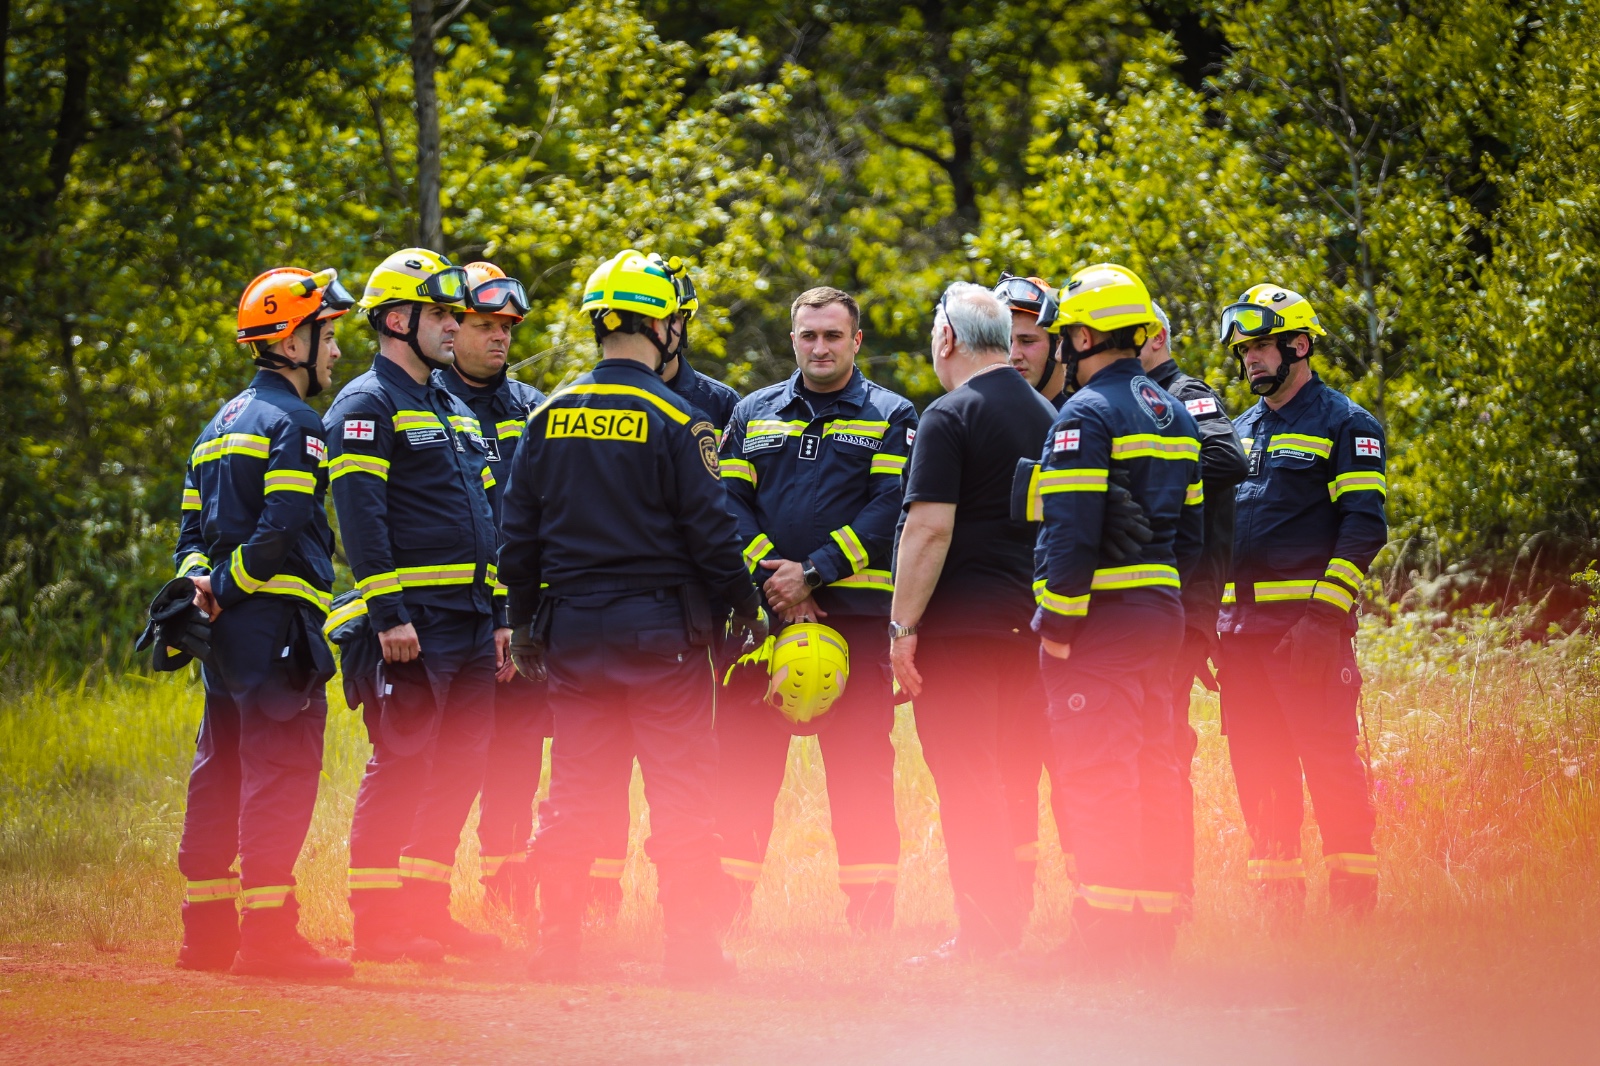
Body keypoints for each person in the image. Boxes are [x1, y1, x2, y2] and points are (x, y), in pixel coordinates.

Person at [498, 249, 767, 984]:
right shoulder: (680, 420)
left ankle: (555, 946)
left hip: (572, 634)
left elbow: (516, 538)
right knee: (681, 790)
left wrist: (522, 625)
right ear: (664, 330)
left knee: (576, 790)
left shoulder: (545, 417)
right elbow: (713, 536)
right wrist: (744, 611)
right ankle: (690, 951)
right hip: (662, 641)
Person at [713, 286, 918, 932]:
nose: (820, 347)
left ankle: (871, 908)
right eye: (809, 335)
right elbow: (724, 506)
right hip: (763, 620)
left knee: (861, 763)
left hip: (852, 621)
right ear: (792, 339)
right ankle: (727, 904)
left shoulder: (892, 414)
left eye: (834, 335)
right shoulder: (751, 413)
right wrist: (775, 578)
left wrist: (815, 573)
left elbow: (891, 509)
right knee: (743, 764)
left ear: (856, 341)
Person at [170, 266, 354, 978]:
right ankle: (271, 941)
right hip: (273, 624)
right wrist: (225, 587)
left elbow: (189, 530)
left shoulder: (216, 424)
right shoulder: (298, 423)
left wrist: (201, 585)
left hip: (224, 635)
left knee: (220, 768)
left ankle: (206, 937)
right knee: (278, 772)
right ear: (292, 338)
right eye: (327, 335)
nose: (335, 351)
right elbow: (279, 528)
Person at [324, 248, 505, 962]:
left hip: (468, 622)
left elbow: (487, 514)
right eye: (440, 313)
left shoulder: (451, 403)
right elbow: (359, 519)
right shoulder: (364, 405)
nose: (455, 326)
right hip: (412, 624)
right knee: (400, 765)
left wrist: (498, 619)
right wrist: (389, 611)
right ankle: (376, 924)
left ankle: (426, 912)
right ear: (399, 320)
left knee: (460, 767)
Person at [1032, 264, 1204, 969]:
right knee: (1158, 765)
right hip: (1162, 614)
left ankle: (1101, 932)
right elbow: (1192, 537)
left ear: (1079, 334)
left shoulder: (1085, 414)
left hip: (1100, 620)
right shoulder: (1176, 411)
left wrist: (1059, 626)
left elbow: (1070, 533)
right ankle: (1154, 926)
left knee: (1098, 770)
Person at [889, 283, 1057, 961]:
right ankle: (1008, 922)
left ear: (947, 340)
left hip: (962, 633)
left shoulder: (949, 416)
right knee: (1015, 779)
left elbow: (928, 529)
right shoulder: (1050, 413)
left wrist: (901, 630)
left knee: (967, 780)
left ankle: (982, 932)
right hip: (1032, 627)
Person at [1216, 284, 1388, 916]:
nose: (1251, 360)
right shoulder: (1238, 431)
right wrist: (1214, 624)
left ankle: (1353, 900)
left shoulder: (1346, 423)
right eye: (1244, 350)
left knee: (1329, 763)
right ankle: (1278, 903)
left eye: (1261, 346)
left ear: (1299, 345)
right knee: (1259, 769)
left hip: (1308, 634)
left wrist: (1322, 619)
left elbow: (1364, 526)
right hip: (1242, 639)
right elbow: (1218, 536)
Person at [434, 261, 575, 916]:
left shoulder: (536, 407)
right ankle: (415, 891)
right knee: (444, 760)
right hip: (450, 614)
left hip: (526, 616)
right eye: (484, 325)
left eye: (507, 329)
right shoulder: (424, 402)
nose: (499, 339)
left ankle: (506, 884)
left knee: (518, 754)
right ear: (450, 326)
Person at [1137, 303, 1248, 910]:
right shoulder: (1133, 398)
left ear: (1154, 336)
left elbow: (1229, 458)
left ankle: (1173, 885)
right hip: (1155, 602)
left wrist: (1145, 466)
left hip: (1183, 602)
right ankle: (1139, 879)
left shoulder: (1185, 392)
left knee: (1164, 744)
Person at [998, 273, 1068, 408]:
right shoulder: (1000, 414)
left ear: (1059, 343)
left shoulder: (1082, 416)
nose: (1013, 356)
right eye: (1007, 342)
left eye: (1027, 341)